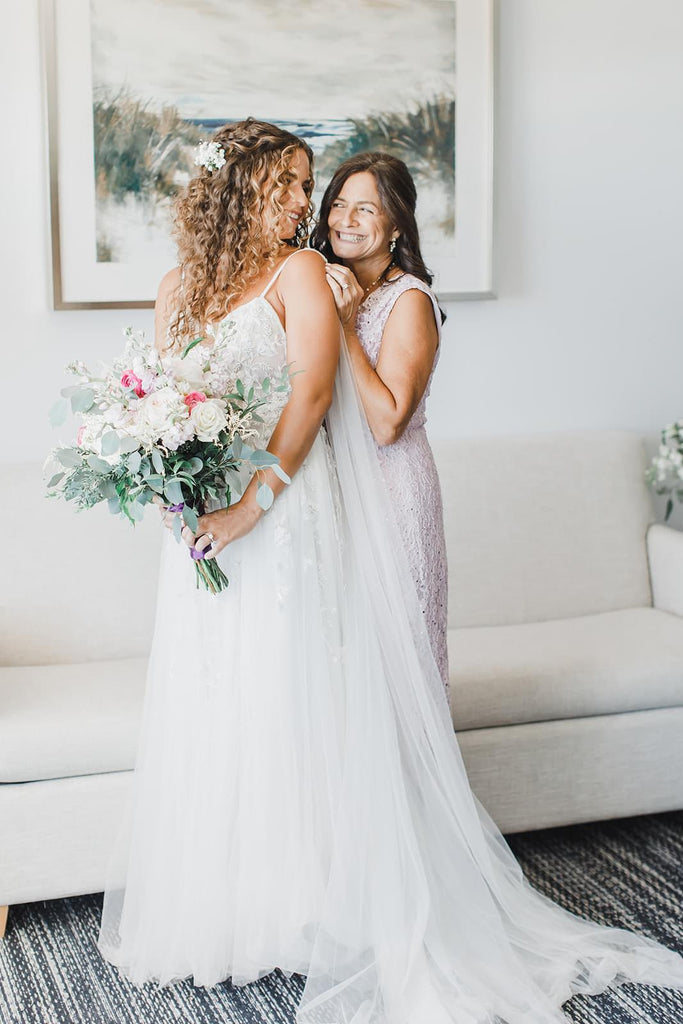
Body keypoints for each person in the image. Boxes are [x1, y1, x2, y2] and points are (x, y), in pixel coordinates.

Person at [97, 119, 683, 1023]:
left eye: (312, 184)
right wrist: (167, 478)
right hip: (201, 533)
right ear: (240, 185)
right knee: (223, 705)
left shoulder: (304, 277)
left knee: (297, 703)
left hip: (280, 519)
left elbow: (314, 394)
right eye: (292, 184)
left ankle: (317, 908)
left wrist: (253, 503)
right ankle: (234, 908)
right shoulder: (178, 284)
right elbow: (159, 396)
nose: (308, 203)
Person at [311, 152, 449, 687]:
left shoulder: (409, 300)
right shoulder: (323, 283)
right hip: (336, 489)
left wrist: (347, 328)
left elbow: (388, 422)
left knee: (396, 663)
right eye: (338, 204)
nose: (344, 220)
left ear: (395, 223)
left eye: (364, 209)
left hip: (392, 492)